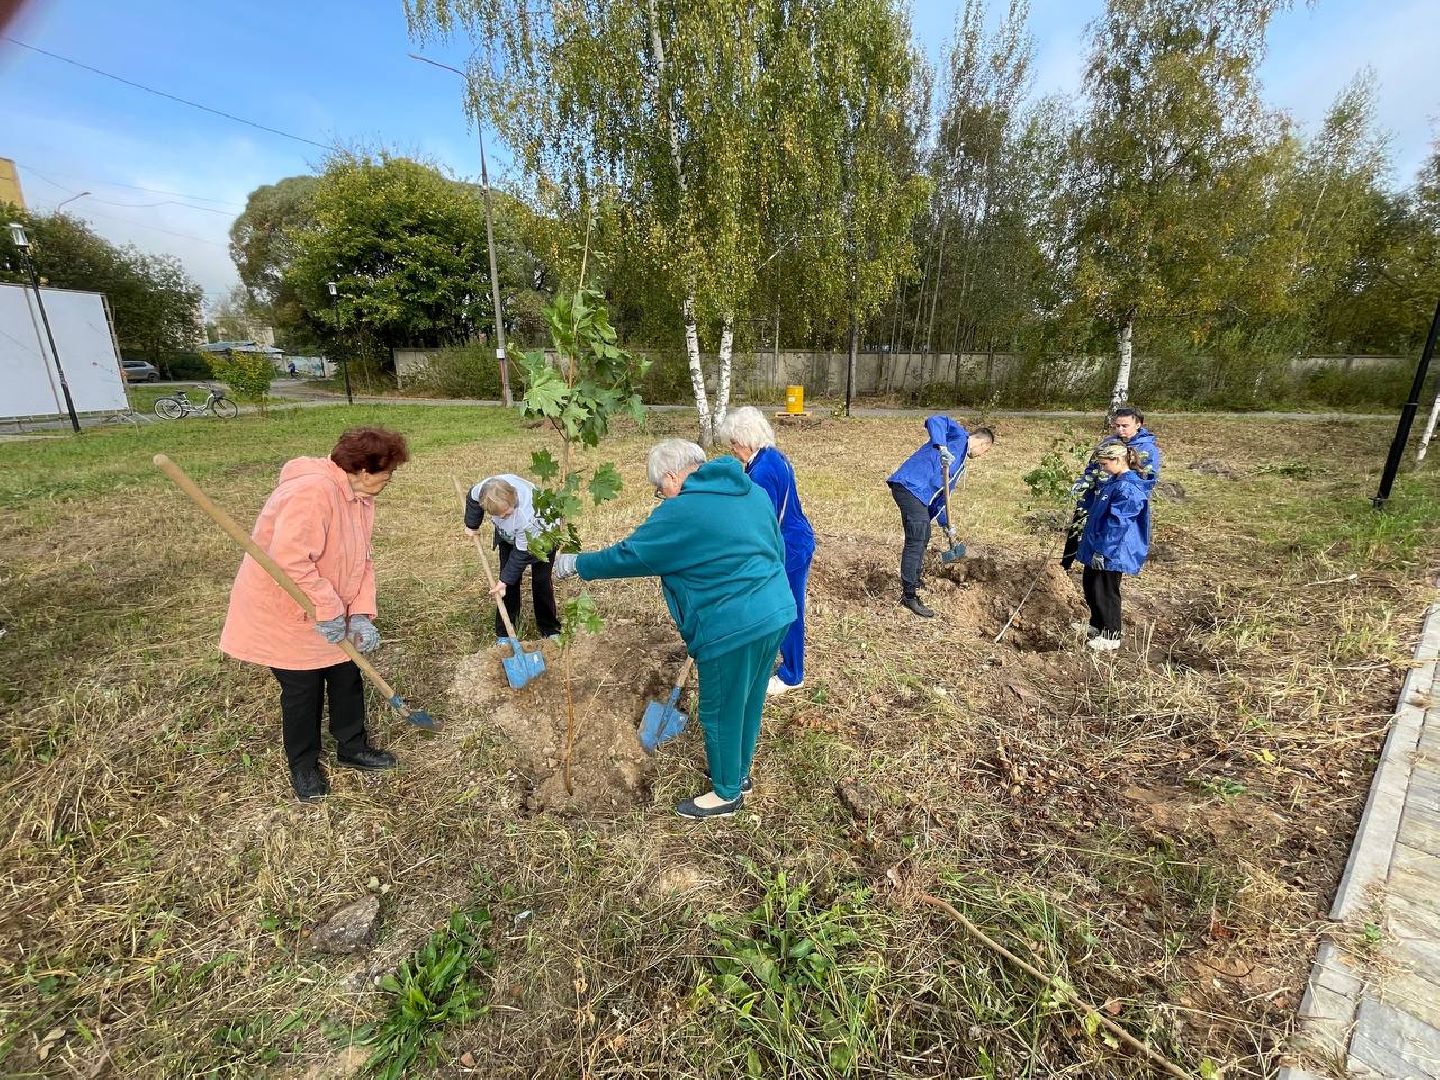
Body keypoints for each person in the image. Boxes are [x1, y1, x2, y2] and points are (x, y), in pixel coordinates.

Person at [552, 439, 795, 820]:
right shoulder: (752, 491)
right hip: (776, 610)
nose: (661, 495)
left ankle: (727, 794)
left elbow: (630, 555)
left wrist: (575, 564)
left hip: (731, 627)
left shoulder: (682, 511)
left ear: (671, 476)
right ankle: (738, 773)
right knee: (747, 700)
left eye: (658, 488)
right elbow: (777, 549)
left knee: (719, 711)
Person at [219, 427, 410, 802]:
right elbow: (290, 561)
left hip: (331, 607)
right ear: (364, 470)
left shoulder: (359, 498)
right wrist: (329, 608)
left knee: (346, 677)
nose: (390, 480)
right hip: (288, 610)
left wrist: (359, 613)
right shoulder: (311, 492)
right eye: (388, 473)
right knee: (302, 690)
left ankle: (352, 747)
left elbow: (362, 560)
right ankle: (303, 766)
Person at [716, 406, 815, 696]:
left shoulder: (761, 473)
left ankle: (793, 675)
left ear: (747, 439)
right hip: (797, 539)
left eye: (734, 443)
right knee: (785, 608)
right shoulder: (773, 456)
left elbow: (763, 522)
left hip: (788, 549)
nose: (733, 449)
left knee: (787, 611)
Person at [886, 417, 995, 618]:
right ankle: (909, 596)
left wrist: (946, 525)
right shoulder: (958, 435)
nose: (981, 456)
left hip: (919, 495)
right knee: (917, 538)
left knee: (923, 535)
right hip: (910, 486)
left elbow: (941, 498)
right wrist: (942, 447)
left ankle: (914, 579)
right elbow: (935, 420)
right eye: (985, 452)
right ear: (983, 444)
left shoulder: (959, 465)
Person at [1061, 405, 1161, 570]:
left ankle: (1102, 563)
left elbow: (1147, 479)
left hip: (1116, 500)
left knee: (1108, 531)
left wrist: (1117, 483)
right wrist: (1085, 482)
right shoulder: (1108, 443)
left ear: (1138, 424)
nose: (1120, 430)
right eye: (1117, 426)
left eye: (1125, 426)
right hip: (1096, 496)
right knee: (1079, 527)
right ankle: (1065, 567)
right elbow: (1092, 467)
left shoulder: (1147, 449)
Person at [464, 473, 561, 641]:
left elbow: (521, 554)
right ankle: (505, 632)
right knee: (508, 584)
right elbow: (473, 499)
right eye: (498, 515)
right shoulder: (484, 490)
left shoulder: (526, 515)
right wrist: (472, 525)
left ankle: (549, 628)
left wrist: (504, 580)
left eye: (506, 513)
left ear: (514, 498)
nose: (502, 517)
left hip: (543, 536)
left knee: (541, 581)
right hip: (509, 536)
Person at [1075, 441, 1151, 651]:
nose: (1102, 468)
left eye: (1104, 464)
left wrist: (1103, 550)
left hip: (1112, 550)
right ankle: (1096, 625)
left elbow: (1117, 524)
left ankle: (1111, 634)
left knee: (1106, 590)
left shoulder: (1128, 488)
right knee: (1091, 585)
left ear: (1117, 460)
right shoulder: (1114, 482)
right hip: (1099, 545)